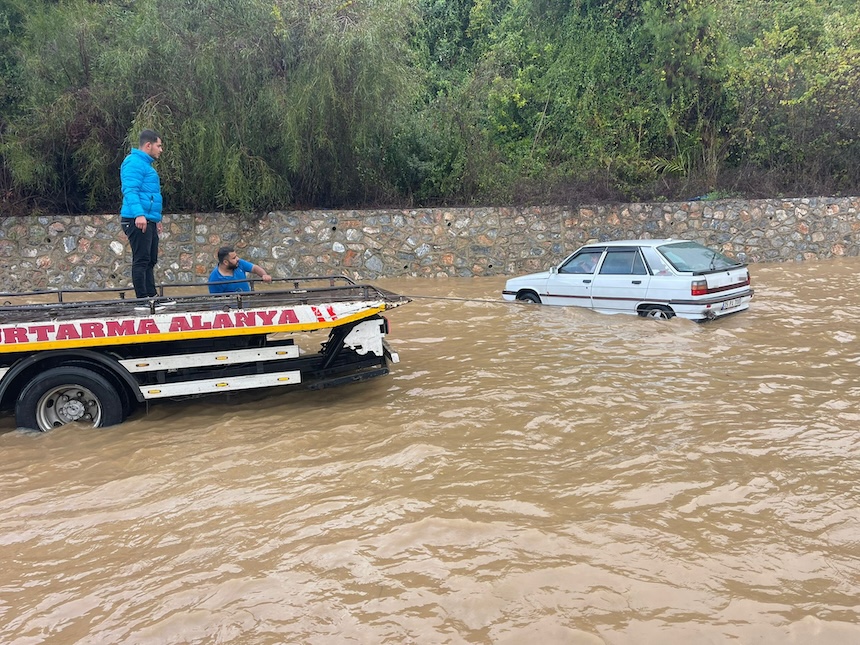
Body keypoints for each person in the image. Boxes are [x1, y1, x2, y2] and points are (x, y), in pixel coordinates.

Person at [120, 129, 164, 300]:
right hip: (136, 219)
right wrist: (139, 214)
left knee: (150, 259)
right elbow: (130, 190)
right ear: (148, 145)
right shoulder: (134, 162)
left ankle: (152, 296)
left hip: (148, 219)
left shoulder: (144, 165)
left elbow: (150, 195)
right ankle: (143, 299)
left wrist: (156, 219)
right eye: (158, 146)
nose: (161, 150)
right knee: (141, 259)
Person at [208, 246, 273, 293]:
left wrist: (264, 275)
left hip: (248, 304)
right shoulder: (214, 279)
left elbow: (255, 268)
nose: (238, 259)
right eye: (234, 258)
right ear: (225, 262)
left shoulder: (239, 263)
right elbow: (216, 301)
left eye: (236, 256)